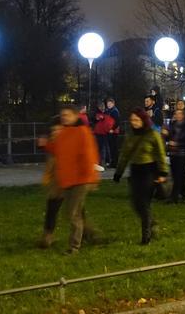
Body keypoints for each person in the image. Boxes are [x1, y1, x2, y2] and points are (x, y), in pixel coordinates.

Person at [39, 105, 100, 254]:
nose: (64, 118)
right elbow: (57, 150)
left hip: (80, 180)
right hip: (68, 179)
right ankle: (89, 235)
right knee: (74, 212)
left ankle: (74, 246)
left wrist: (90, 177)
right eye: (62, 115)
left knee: (73, 214)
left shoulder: (83, 132)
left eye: (67, 115)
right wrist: (46, 145)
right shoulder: (64, 133)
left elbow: (89, 154)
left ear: (75, 116)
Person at [113, 108, 169, 244]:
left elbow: (160, 154)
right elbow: (125, 155)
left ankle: (146, 236)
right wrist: (119, 172)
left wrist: (163, 173)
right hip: (136, 171)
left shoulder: (153, 134)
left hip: (149, 171)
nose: (134, 122)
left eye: (137, 120)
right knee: (136, 203)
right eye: (132, 120)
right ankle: (150, 222)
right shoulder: (130, 135)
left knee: (143, 203)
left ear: (143, 120)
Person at [164, 108, 185, 203]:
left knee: (178, 175)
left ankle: (174, 197)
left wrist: (177, 143)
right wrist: (166, 134)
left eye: (179, 114)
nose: (177, 115)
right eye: (176, 113)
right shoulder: (173, 124)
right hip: (173, 153)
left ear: (183, 115)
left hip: (181, 153)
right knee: (177, 175)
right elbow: (169, 136)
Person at [104, 98, 121, 168]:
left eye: (110, 104)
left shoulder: (114, 111)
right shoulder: (108, 111)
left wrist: (112, 129)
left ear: (113, 104)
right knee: (111, 148)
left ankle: (115, 163)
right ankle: (113, 163)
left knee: (114, 148)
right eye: (108, 104)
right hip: (109, 131)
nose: (108, 105)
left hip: (113, 132)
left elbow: (117, 121)